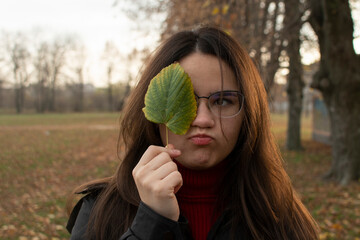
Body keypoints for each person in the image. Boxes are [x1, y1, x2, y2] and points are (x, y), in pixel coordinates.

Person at [66, 25, 319, 240]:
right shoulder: (99, 213)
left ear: (248, 114)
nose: (203, 120)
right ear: (155, 113)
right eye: (184, 100)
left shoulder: (280, 218)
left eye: (223, 101)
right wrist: (151, 223)